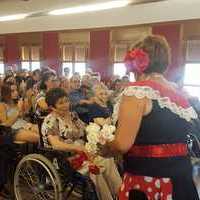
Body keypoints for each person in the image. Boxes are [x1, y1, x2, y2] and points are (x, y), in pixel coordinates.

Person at [101, 35, 199, 200]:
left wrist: (104, 145)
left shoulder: (137, 92)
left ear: (135, 64)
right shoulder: (177, 92)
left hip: (147, 180)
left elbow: (122, 145)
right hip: (180, 178)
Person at [42, 88, 121, 200]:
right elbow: (56, 145)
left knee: (107, 160)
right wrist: (79, 148)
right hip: (65, 158)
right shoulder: (50, 121)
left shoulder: (73, 115)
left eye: (66, 101)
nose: (66, 105)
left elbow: (85, 129)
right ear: (52, 107)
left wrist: (100, 134)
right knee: (95, 169)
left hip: (84, 152)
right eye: (61, 103)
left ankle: (120, 194)